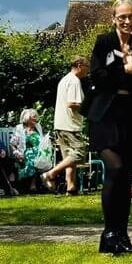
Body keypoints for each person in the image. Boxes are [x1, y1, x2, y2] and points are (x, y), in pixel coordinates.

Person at [86, 0, 132, 255]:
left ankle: (122, 235)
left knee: (126, 176)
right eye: (122, 17)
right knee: (114, 168)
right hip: (105, 115)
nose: (127, 22)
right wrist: (124, 68)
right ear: (114, 18)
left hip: (129, 116)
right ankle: (110, 232)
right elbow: (98, 75)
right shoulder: (104, 41)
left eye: (131, 17)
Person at [42, 56, 90, 195]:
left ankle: (71, 188)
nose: (88, 71)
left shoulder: (64, 79)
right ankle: (50, 174)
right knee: (79, 153)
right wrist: (88, 107)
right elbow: (71, 104)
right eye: (87, 67)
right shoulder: (74, 81)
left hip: (61, 124)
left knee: (69, 158)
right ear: (80, 65)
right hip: (70, 125)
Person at [10, 109, 53, 192]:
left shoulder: (38, 127)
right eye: (34, 117)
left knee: (39, 157)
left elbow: (43, 141)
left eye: (36, 117)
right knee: (34, 159)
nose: (36, 119)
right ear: (27, 118)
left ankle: (36, 183)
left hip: (40, 152)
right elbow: (12, 143)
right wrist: (16, 153)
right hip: (24, 152)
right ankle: (33, 184)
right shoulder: (20, 128)